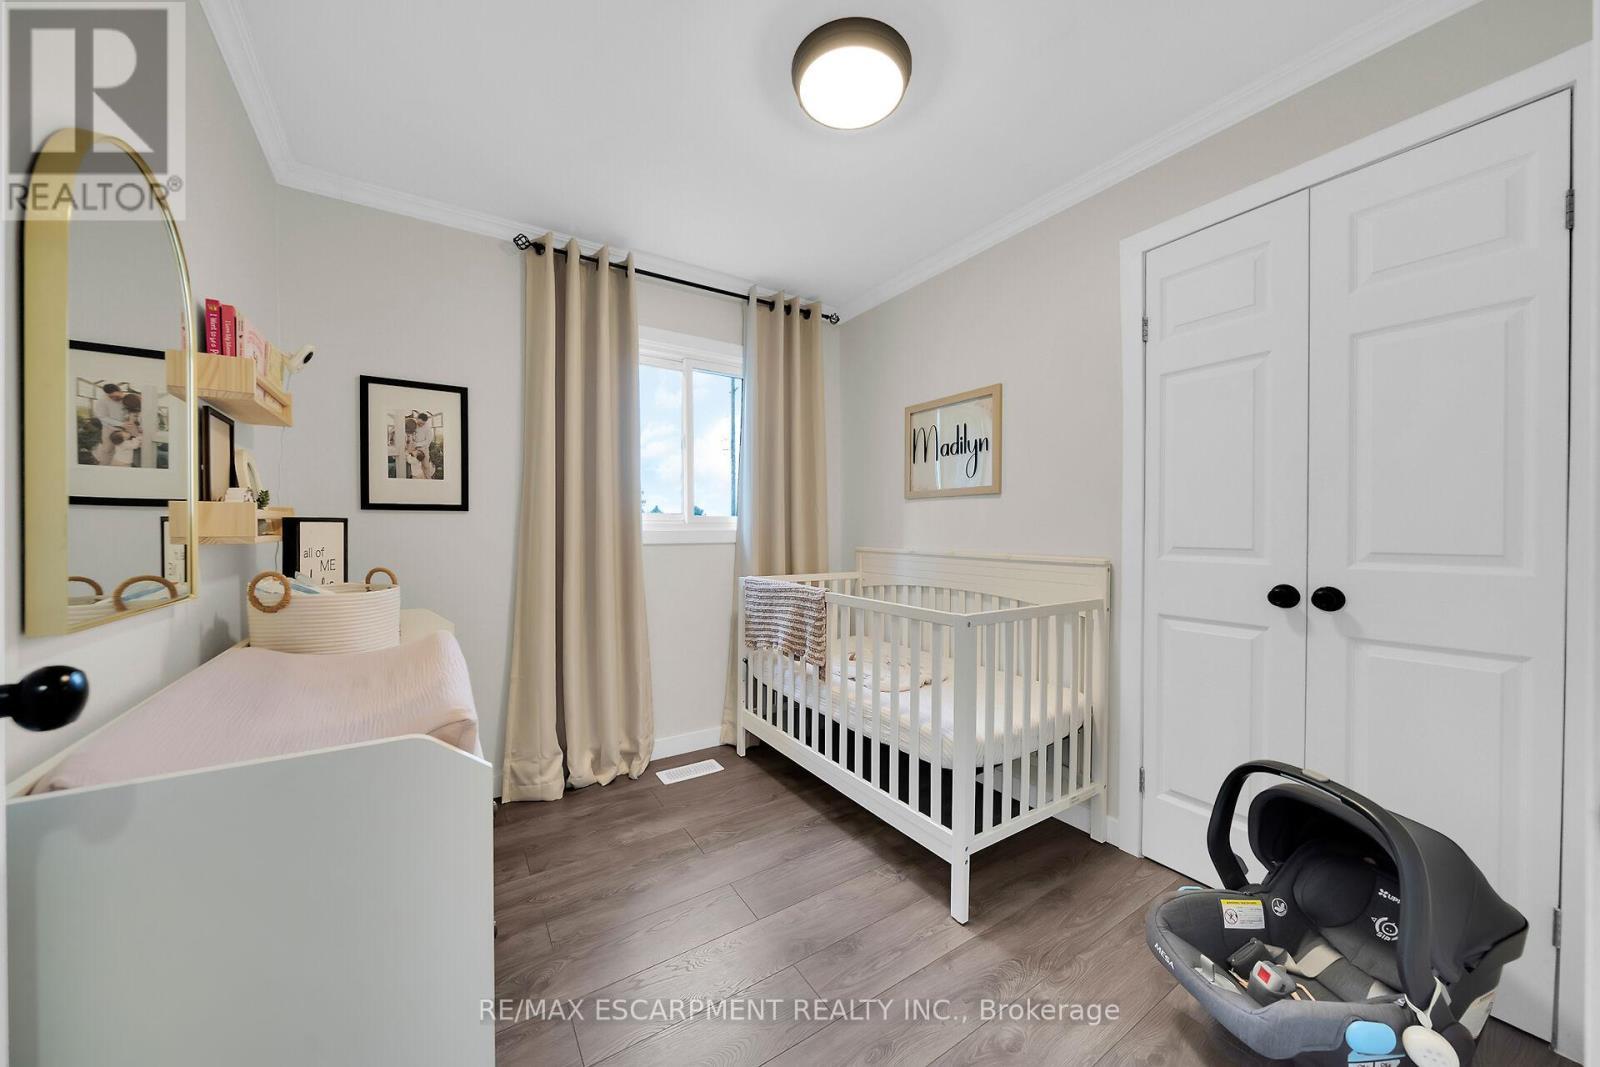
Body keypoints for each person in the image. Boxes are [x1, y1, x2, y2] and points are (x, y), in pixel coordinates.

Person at [91, 383, 134, 465]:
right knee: (107, 450)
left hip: (124, 430)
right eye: (111, 397)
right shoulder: (102, 401)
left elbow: (132, 409)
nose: (114, 398)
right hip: (109, 429)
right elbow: (102, 417)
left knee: (124, 448)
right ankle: (104, 466)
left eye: (117, 396)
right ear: (107, 394)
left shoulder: (127, 397)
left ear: (120, 391)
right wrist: (121, 424)